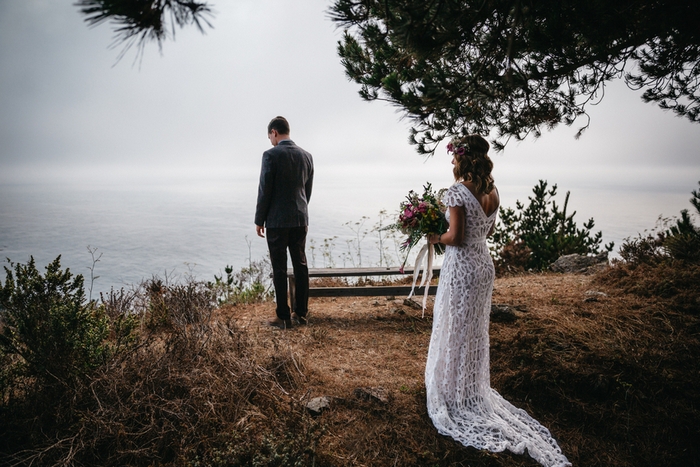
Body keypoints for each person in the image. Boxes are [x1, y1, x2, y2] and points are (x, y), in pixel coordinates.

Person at [425, 135, 571, 467]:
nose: (451, 162)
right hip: (484, 266)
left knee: (455, 326)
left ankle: (453, 393)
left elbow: (456, 237)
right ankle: (470, 387)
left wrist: (435, 235)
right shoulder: (493, 191)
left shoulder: (459, 192)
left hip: (462, 267)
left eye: (453, 157)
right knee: (473, 331)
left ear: (463, 159)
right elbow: (485, 233)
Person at [255, 116, 314, 329]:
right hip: (300, 218)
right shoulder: (307, 156)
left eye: (269, 136)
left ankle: (283, 317)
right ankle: (302, 313)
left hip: (278, 221)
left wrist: (259, 219)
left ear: (274, 132)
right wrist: (300, 209)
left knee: (279, 268)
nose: (270, 140)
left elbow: (265, 190)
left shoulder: (270, 155)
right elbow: (306, 191)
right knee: (301, 265)